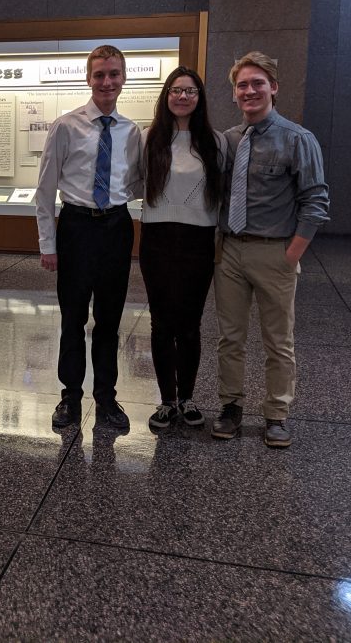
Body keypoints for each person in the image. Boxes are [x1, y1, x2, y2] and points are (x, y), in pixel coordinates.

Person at [211, 51, 329, 448]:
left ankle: (277, 414)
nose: (249, 91)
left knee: (278, 341)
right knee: (230, 337)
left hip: (274, 252)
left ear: (274, 88)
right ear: (233, 93)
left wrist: (291, 254)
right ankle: (230, 407)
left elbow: (315, 201)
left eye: (257, 83)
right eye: (242, 85)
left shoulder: (298, 139)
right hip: (230, 252)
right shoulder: (229, 140)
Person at [36, 45, 142, 431]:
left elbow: (138, 181)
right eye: (99, 75)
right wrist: (48, 244)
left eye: (114, 74)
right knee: (73, 317)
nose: (107, 82)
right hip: (77, 228)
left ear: (123, 78)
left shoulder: (132, 132)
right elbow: (45, 190)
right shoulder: (66, 126)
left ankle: (107, 398)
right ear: (88, 78)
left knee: (110, 320)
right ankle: (70, 396)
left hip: (116, 227)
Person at [139, 67, 225, 430]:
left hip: (198, 239)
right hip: (157, 237)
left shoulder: (215, 141)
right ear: (166, 95)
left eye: (190, 91)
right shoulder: (149, 138)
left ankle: (187, 398)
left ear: (199, 97)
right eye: (176, 90)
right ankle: (166, 401)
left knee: (189, 324)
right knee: (162, 323)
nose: (182, 97)